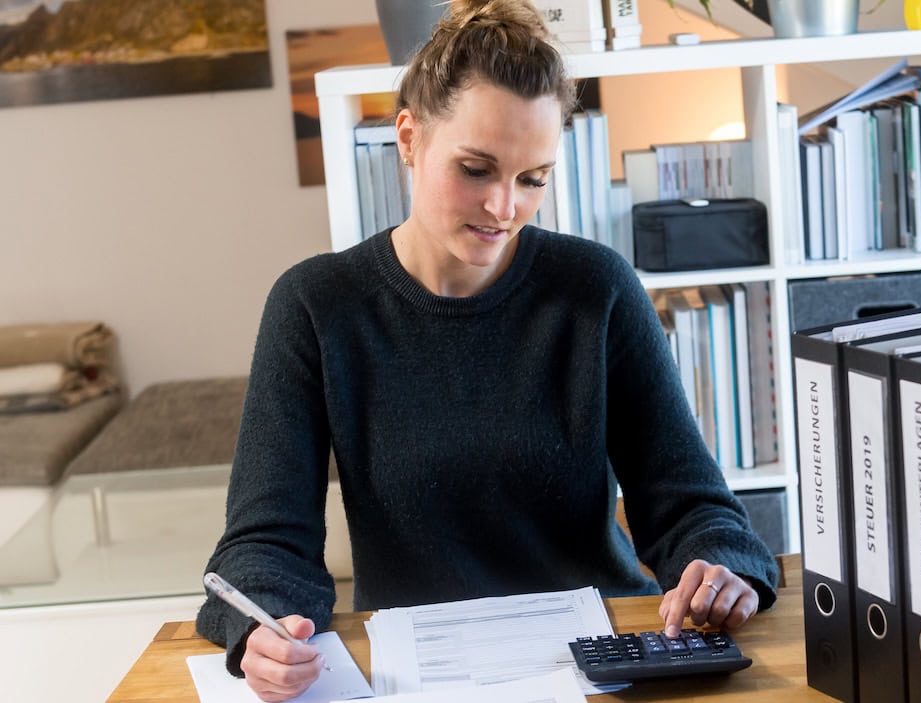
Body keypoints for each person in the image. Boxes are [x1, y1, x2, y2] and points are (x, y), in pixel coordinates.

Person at [195, 0, 779, 699]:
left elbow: (690, 505)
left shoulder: (595, 289)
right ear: (408, 138)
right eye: (476, 169)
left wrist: (721, 568)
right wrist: (262, 630)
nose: (505, 207)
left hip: (602, 667)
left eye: (532, 178)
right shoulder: (316, 307)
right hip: (422, 676)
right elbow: (265, 541)